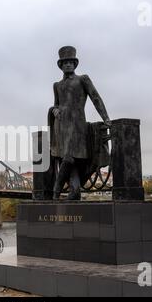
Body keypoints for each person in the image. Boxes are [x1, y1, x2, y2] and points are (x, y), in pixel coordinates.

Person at [49, 46, 111, 200]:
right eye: (65, 63)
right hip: (61, 127)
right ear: (61, 66)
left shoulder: (82, 79)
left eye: (71, 62)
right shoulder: (57, 85)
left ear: (75, 64)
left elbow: (95, 98)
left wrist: (106, 118)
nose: (68, 65)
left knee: (69, 158)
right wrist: (54, 110)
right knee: (70, 162)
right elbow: (56, 104)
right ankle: (75, 191)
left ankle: (56, 190)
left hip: (77, 127)